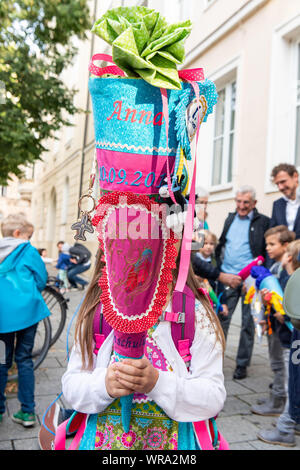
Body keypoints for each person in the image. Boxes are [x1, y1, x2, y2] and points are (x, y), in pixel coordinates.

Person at [61, 244, 227, 450]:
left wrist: (157, 383)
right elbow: (72, 386)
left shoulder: (195, 315)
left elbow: (213, 397)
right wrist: (104, 385)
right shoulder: (98, 314)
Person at [215, 185, 270, 380]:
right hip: (228, 277)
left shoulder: (263, 222)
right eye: (238, 201)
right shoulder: (230, 218)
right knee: (222, 321)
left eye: (246, 202)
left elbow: (265, 253)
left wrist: (259, 278)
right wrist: (218, 270)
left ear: (254, 203)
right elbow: (221, 244)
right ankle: (215, 363)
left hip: (251, 281)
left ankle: (242, 365)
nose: (241, 206)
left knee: (248, 323)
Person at [0, 214, 50, 427]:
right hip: (28, 315)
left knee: (2, 361)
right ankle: (28, 412)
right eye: (29, 236)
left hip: (2, 317)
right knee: (24, 359)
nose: (30, 240)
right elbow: (41, 279)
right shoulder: (28, 250)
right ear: (18, 234)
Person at [257, 239, 300, 447]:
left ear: (289, 257)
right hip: (289, 340)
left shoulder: (294, 280)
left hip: (292, 342)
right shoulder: (287, 277)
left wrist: (281, 312)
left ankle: (286, 428)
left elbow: (292, 317)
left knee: (294, 382)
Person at [251, 225, 295, 417]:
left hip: (284, 327)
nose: (267, 248)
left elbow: (288, 299)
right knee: (276, 362)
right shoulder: (275, 266)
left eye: (272, 244)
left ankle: (280, 402)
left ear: (286, 246)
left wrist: (283, 315)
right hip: (274, 325)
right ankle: (277, 396)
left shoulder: (287, 271)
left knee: (282, 365)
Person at [195, 230, 228, 316]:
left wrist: (223, 302)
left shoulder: (215, 262)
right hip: (195, 299)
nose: (208, 247)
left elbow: (220, 283)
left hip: (210, 300)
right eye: (205, 243)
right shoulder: (194, 261)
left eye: (211, 244)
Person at [270, 163, 300, 239]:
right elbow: (273, 233)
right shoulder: (277, 204)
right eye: (277, 184)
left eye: (283, 182)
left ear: (295, 176)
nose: (280, 187)